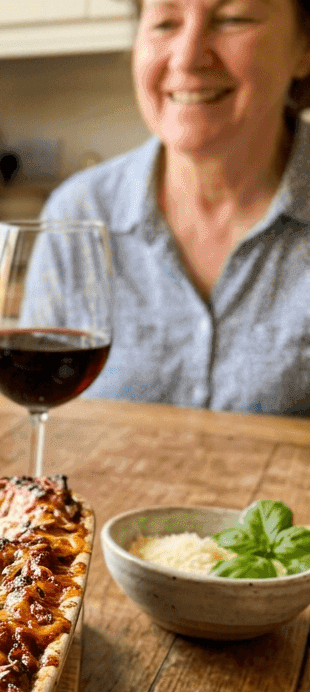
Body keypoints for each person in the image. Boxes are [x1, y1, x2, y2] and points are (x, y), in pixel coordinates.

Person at [39, 0, 310, 414]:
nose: (187, 57)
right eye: (166, 23)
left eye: (233, 18)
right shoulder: (77, 212)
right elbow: (43, 424)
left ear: (304, 47)